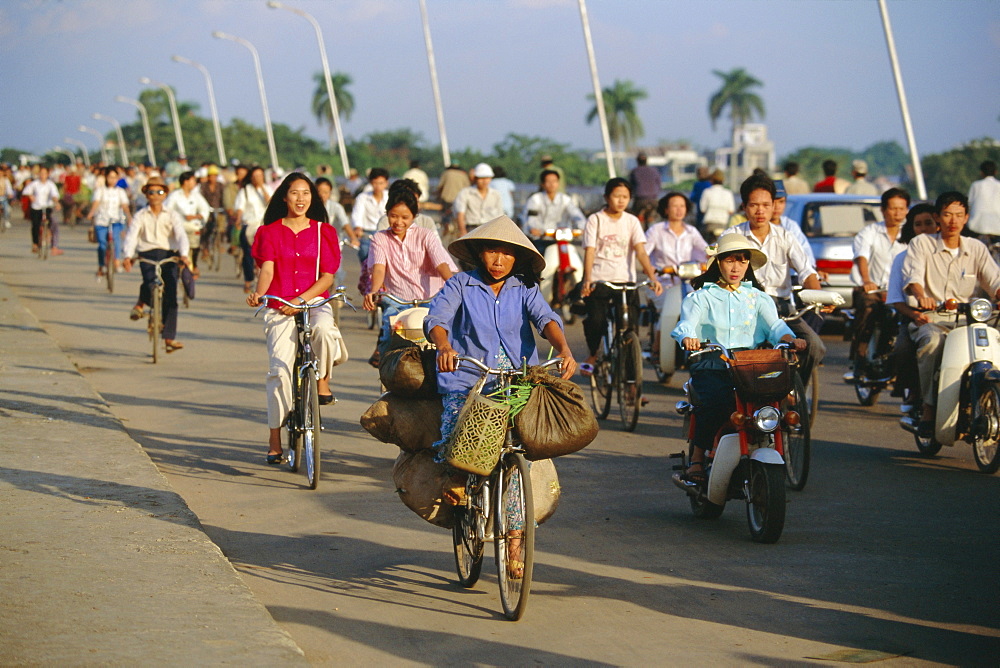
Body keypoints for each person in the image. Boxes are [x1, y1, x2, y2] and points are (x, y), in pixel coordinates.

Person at [426, 215, 577, 499]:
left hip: (518, 381)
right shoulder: (460, 284)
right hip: (468, 378)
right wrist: (444, 346)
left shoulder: (525, 288)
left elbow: (546, 319)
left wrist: (563, 349)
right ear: (479, 253)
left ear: (517, 258)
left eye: (507, 253)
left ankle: (517, 536)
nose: (499, 260)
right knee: (458, 433)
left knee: (523, 455)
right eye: (492, 251)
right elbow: (437, 318)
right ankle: (459, 479)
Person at [671, 234, 805, 482]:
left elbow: (775, 326)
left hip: (750, 364)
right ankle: (698, 458)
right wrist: (688, 337)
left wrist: (789, 338)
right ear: (718, 262)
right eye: (730, 260)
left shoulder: (758, 297)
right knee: (715, 402)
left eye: (742, 261)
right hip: (712, 361)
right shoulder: (701, 297)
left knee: (775, 399)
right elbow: (686, 324)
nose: (736, 267)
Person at [246, 173, 345, 465]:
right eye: (294, 193)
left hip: (312, 301)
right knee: (278, 370)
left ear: (312, 198)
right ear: (284, 197)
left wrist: (301, 300)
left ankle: (323, 380)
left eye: (306, 193)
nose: (301, 199)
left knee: (326, 330)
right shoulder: (269, 232)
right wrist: (259, 294)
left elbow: (327, 276)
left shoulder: (323, 231)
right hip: (278, 304)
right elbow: (267, 269)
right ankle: (275, 437)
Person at [902, 191, 1000, 437]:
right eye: (947, 215)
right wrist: (922, 295)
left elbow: (994, 281)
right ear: (937, 218)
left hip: (972, 321)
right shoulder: (921, 243)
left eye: (958, 215)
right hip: (933, 319)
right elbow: (913, 279)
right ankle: (928, 408)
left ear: (966, 218)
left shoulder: (977, 248)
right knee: (932, 343)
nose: (953, 221)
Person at [721, 173, 825, 381]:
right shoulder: (731, 237)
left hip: (782, 309)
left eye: (766, 205)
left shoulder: (786, 236)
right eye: (754, 205)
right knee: (729, 354)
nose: (760, 211)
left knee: (814, 346)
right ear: (744, 206)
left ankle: (795, 390)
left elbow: (806, 271)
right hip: (743, 308)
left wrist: (819, 298)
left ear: (773, 206)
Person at [364, 179, 455, 365]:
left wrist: (457, 287)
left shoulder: (426, 235)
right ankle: (386, 376)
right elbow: (379, 267)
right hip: (397, 302)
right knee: (388, 341)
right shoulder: (380, 239)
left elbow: (441, 264)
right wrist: (373, 291)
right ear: (387, 214)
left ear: (414, 216)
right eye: (393, 216)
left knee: (443, 342)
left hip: (430, 301)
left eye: (405, 217)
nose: (398, 222)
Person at [579, 178, 663, 374]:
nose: (621, 201)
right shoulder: (596, 220)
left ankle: (632, 384)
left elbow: (641, 252)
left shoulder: (632, 221)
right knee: (596, 321)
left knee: (630, 330)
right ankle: (593, 354)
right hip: (600, 279)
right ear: (607, 197)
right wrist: (587, 279)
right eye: (616, 196)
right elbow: (589, 251)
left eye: (625, 197)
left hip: (626, 282)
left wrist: (652, 277)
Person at [121, 177, 191, 352]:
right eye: (151, 192)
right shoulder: (140, 215)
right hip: (147, 254)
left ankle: (169, 338)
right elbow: (132, 236)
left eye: (159, 192)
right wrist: (128, 256)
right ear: (146, 195)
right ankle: (142, 302)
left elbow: (181, 235)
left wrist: (184, 255)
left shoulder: (172, 215)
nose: (155, 196)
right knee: (149, 281)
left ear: (165, 194)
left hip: (169, 255)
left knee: (172, 296)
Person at [844, 188, 909, 377]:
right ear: (883, 210)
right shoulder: (869, 232)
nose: (897, 213)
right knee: (869, 310)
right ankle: (861, 356)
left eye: (901, 209)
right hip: (871, 289)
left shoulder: (910, 235)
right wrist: (867, 281)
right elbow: (861, 256)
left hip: (899, 290)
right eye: (893, 208)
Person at [884, 203, 938, 410]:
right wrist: (915, 314)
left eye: (928, 223)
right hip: (915, 316)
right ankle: (914, 391)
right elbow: (897, 299)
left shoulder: (960, 251)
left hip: (951, 316)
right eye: (918, 224)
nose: (924, 229)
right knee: (903, 348)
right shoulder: (902, 258)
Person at [645, 191, 708, 363]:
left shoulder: (691, 232)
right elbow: (644, 254)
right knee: (668, 309)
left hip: (687, 282)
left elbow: (705, 251)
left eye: (682, 206)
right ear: (666, 209)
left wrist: (711, 259)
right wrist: (652, 271)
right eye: (674, 206)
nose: (679, 210)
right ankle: (657, 350)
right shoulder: (655, 231)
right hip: (662, 283)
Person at [521, 169, 585, 248]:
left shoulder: (565, 199)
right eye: (548, 181)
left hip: (563, 240)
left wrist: (582, 228)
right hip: (541, 240)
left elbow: (577, 215)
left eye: (554, 181)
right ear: (543, 184)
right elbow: (530, 219)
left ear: (558, 183)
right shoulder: (535, 199)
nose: (552, 184)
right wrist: (532, 229)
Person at [87, 166, 132, 277]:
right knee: (102, 245)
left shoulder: (120, 191)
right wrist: (91, 213)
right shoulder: (100, 191)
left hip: (116, 220)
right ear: (106, 177)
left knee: (116, 240)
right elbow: (96, 203)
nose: (112, 180)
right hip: (102, 221)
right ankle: (101, 265)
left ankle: (116, 261)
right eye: (110, 177)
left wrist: (129, 217)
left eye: (115, 177)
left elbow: (125, 206)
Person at [234, 166, 272, 293]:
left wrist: (262, 188)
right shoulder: (245, 191)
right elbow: (240, 207)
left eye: (260, 176)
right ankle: (248, 280)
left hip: (264, 225)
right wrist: (238, 219)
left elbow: (271, 204)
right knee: (248, 253)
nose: (257, 179)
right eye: (255, 176)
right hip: (249, 225)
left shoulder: (268, 189)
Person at [165, 170, 212, 272]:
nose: (195, 183)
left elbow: (205, 208)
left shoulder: (196, 196)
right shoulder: (174, 195)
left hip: (192, 225)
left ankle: (194, 265)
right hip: (178, 226)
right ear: (186, 181)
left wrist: (197, 216)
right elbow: (167, 209)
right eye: (193, 180)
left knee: (196, 242)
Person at [350, 167, 389, 264]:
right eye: (375, 183)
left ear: (386, 183)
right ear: (371, 182)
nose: (378, 186)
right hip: (367, 234)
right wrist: (358, 228)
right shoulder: (362, 197)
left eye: (381, 183)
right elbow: (357, 214)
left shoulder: (390, 197)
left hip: (386, 233)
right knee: (365, 258)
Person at [454, 163, 504, 236]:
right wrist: (463, 232)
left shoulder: (496, 195)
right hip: (471, 229)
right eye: (481, 178)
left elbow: (500, 216)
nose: (484, 181)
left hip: (491, 231)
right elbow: (460, 214)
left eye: (487, 178)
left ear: (491, 178)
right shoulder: (465, 193)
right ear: (476, 178)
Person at [23, 165, 63, 255]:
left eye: (44, 174)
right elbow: (26, 191)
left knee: (49, 221)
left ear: (47, 174)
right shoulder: (35, 184)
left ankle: (47, 233)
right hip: (36, 207)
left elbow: (54, 195)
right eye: (41, 173)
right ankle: (35, 243)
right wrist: (31, 196)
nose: (43, 175)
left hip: (47, 207)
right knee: (35, 225)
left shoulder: (50, 184)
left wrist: (57, 203)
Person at [699, 169, 735, 241]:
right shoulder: (728, 193)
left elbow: (702, 209)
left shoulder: (707, 192)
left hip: (709, 225)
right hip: (723, 225)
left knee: (709, 246)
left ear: (711, 180)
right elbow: (731, 211)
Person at [968, 160, 1000, 239]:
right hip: (997, 226)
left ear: (981, 172)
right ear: (996, 172)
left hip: (977, 226)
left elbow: (969, 203)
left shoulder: (976, 185)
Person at [629, 152, 661, 225]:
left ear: (637, 161)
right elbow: (659, 185)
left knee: (634, 217)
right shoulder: (654, 170)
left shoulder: (634, 171)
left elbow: (630, 186)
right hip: (653, 200)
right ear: (646, 160)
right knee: (656, 217)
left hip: (640, 201)